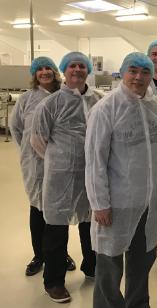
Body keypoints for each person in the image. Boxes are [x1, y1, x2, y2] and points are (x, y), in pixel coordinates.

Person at [86, 52, 157, 308]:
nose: (138, 77)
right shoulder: (106, 109)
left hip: (148, 200)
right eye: (132, 71)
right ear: (122, 73)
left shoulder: (155, 105)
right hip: (117, 201)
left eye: (144, 72)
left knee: (142, 258)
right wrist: (99, 203)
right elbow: (94, 160)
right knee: (109, 263)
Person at [29, 52, 102, 303]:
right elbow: (38, 140)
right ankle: (54, 281)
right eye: (72, 65)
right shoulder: (50, 104)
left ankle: (91, 267)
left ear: (88, 70)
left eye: (82, 66)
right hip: (60, 176)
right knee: (56, 228)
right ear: (65, 70)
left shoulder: (99, 100)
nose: (77, 70)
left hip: (91, 175)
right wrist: (61, 159)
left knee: (90, 223)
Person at [10, 57, 78, 276]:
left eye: (48, 67)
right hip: (35, 165)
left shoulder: (64, 96)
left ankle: (61, 254)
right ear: (34, 74)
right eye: (39, 69)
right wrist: (32, 152)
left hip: (61, 165)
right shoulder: (26, 99)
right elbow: (16, 128)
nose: (44, 72)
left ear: (55, 71)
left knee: (59, 211)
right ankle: (39, 255)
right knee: (37, 209)